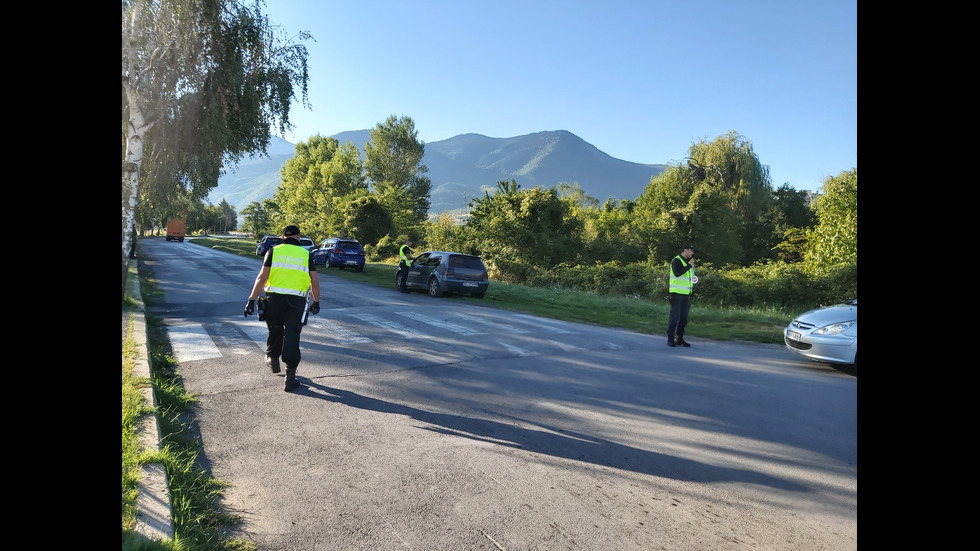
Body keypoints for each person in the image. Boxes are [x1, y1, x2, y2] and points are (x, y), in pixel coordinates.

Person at [244, 225, 321, 391]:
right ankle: (290, 377)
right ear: (298, 237)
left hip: (274, 300)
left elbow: (262, 278)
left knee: (275, 329)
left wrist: (251, 299)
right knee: (292, 335)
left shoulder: (273, 251)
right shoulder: (306, 255)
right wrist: (316, 301)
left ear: (283, 237)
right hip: (297, 302)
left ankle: (272, 358)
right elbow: (314, 281)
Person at [667, 244, 697, 347]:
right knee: (674, 317)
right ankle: (670, 338)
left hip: (686, 294)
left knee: (683, 318)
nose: (692, 253)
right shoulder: (677, 260)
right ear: (685, 250)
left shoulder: (689, 263)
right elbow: (677, 273)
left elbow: (689, 277)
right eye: (691, 251)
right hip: (676, 293)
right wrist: (689, 266)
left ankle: (679, 338)